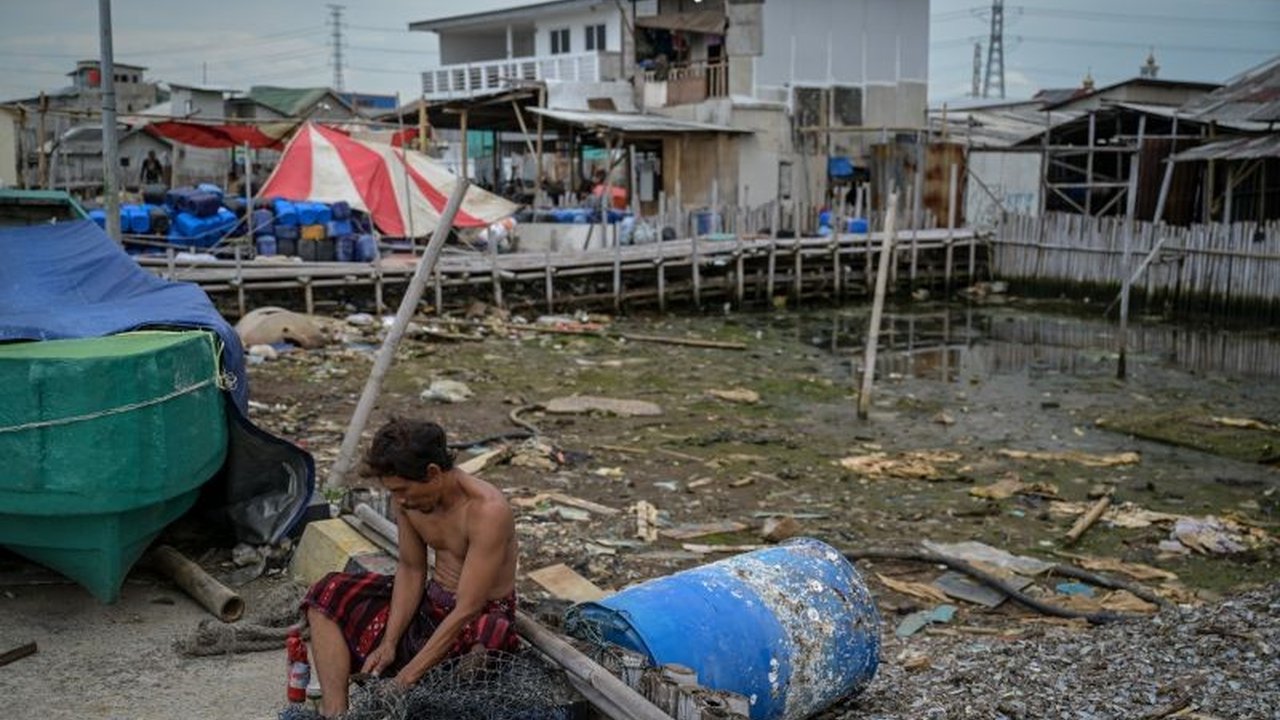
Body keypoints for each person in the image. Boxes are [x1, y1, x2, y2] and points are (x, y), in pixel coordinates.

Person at [301, 419, 519, 717]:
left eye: (403, 490)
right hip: (430, 605)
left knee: (489, 635)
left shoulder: (487, 510)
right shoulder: (408, 502)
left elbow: (469, 607)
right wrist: (389, 642)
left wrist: (406, 678)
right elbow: (411, 568)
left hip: (475, 616)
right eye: (393, 491)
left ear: (432, 473)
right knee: (328, 593)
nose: (399, 500)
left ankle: (428, 689)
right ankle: (335, 712)